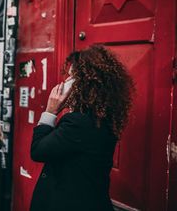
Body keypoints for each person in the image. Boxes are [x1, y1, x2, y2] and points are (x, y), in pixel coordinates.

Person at [30, 45, 135, 211]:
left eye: (71, 78)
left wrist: (50, 111)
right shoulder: (103, 117)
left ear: (84, 84)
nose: (64, 82)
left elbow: (37, 151)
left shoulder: (78, 123)